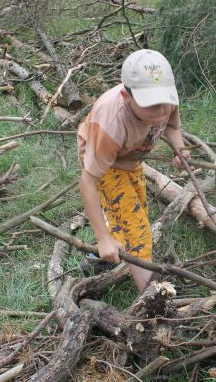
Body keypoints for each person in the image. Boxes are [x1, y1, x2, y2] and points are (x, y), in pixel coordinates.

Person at [77, 49, 189, 292]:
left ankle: (98, 260)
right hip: (106, 163)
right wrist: (102, 238)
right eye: (152, 105)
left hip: (131, 159)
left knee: (133, 212)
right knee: (138, 231)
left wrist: (179, 149)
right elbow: (87, 182)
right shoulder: (110, 122)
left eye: (165, 103)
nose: (161, 111)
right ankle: (151, 302)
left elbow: (172, 125)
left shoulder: (164, 96)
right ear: (127, 96)